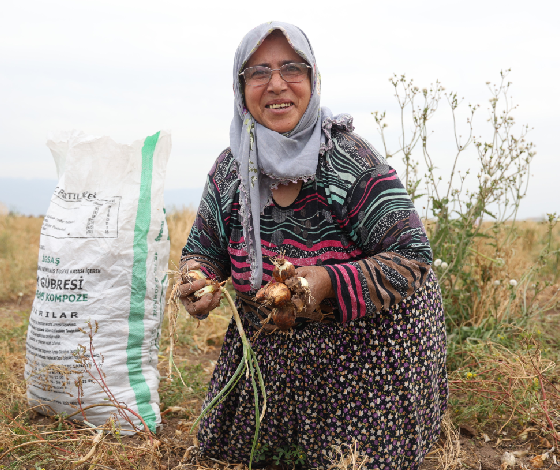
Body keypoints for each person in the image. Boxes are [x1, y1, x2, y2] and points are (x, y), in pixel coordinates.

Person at [178, 21, 447, 470]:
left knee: (350, 461)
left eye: (292, 69)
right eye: (258, 72)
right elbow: (204, 249)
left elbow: (412, 256)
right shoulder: (229, 169)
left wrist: (322, 282)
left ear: (313, 79)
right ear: (240, 86)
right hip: (272, 341)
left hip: (368, 346)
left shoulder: (347, 160)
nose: (276, 84)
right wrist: (197, 280)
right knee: (230, 451)